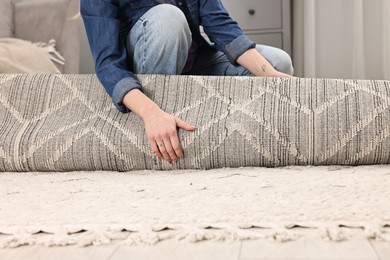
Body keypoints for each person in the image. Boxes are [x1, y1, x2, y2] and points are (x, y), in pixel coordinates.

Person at [80, 0, 294, 163]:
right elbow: (108, 65)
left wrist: (270, 74)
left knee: (278, 61)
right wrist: (150, 113)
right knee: (169, 17)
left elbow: (222, 26)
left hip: (195, 61)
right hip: (146, 78)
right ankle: (160, 124)